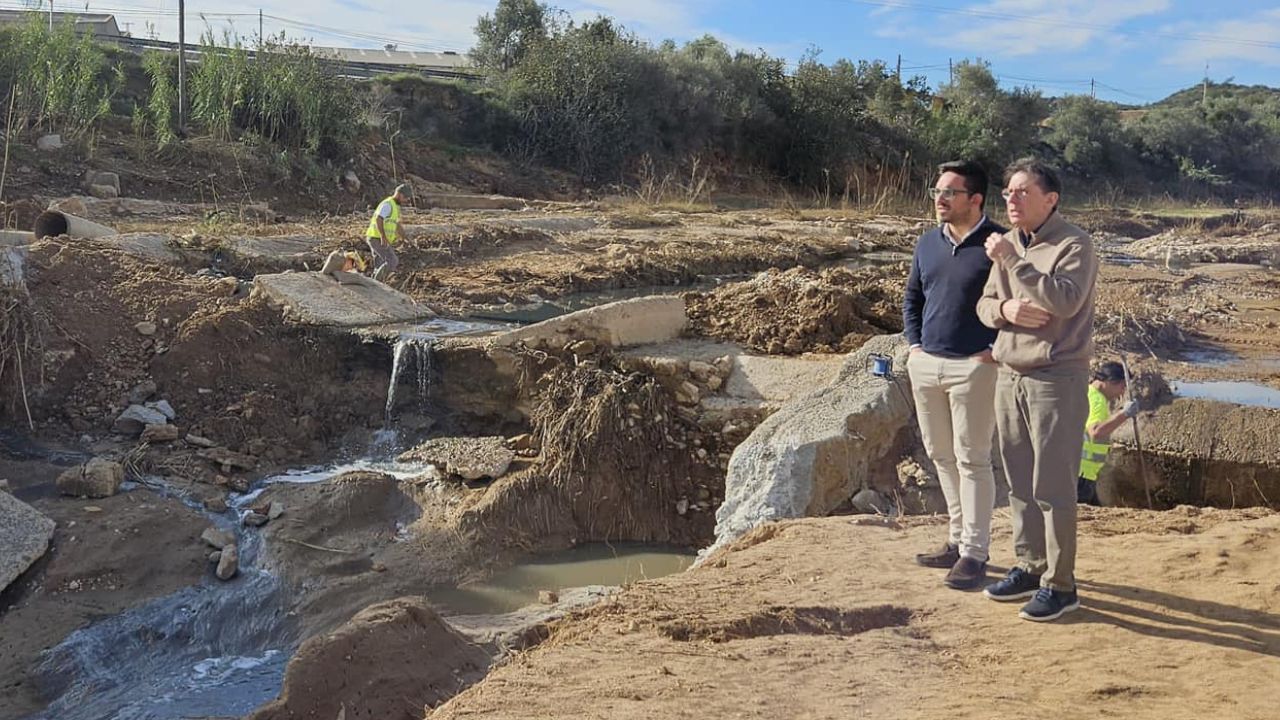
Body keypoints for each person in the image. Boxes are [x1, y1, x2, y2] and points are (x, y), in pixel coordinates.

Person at [976, 158, 1098, 622]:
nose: (1011, 199)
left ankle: (1061, 585)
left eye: (1022, 191)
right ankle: (1029, 566)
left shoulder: (1074, 244)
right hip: (1010, 375)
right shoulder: (1010, 244)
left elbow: (1063, 301)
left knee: (1053, 486)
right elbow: (983, 304)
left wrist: (1013, 262)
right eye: (1007, 191)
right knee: (1021, 483)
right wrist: (1005, 309)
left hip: (1056, 380)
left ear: (1051, 199)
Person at [903, 160, 1006, 590]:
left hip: (974, 368)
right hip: (926, 364)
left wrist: (996, 351)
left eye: (949, 192)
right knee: (941, 455)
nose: (939, 200)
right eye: (936, 192)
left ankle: (975, 554)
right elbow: (913, 295)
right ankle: (956, 538)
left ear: (975, 199)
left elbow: (1018, 300)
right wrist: (914, 347)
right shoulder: (928, 242)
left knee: (972, 457)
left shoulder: (999, 244)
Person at [1078, 362, 1140, 505]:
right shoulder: (1097, 400)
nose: (1122, 392)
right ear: (1111, 381)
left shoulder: (1086, 393)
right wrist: (1124, 414)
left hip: (1080, 472)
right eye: (1122, 387)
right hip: (1082, 475)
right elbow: (1096, 432)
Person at [366, 184, 410, 281]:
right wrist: (383, 236)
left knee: (380, 264)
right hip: (376, 238)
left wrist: (404, 238)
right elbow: (379, 218)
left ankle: (374, 284)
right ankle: (376, 284)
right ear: (398, 194)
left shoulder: (395, 207)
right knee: (392, 261)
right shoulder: (388, 204)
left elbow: (397, 224)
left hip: (377, 238)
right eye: (405, 197)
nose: (406, 200)